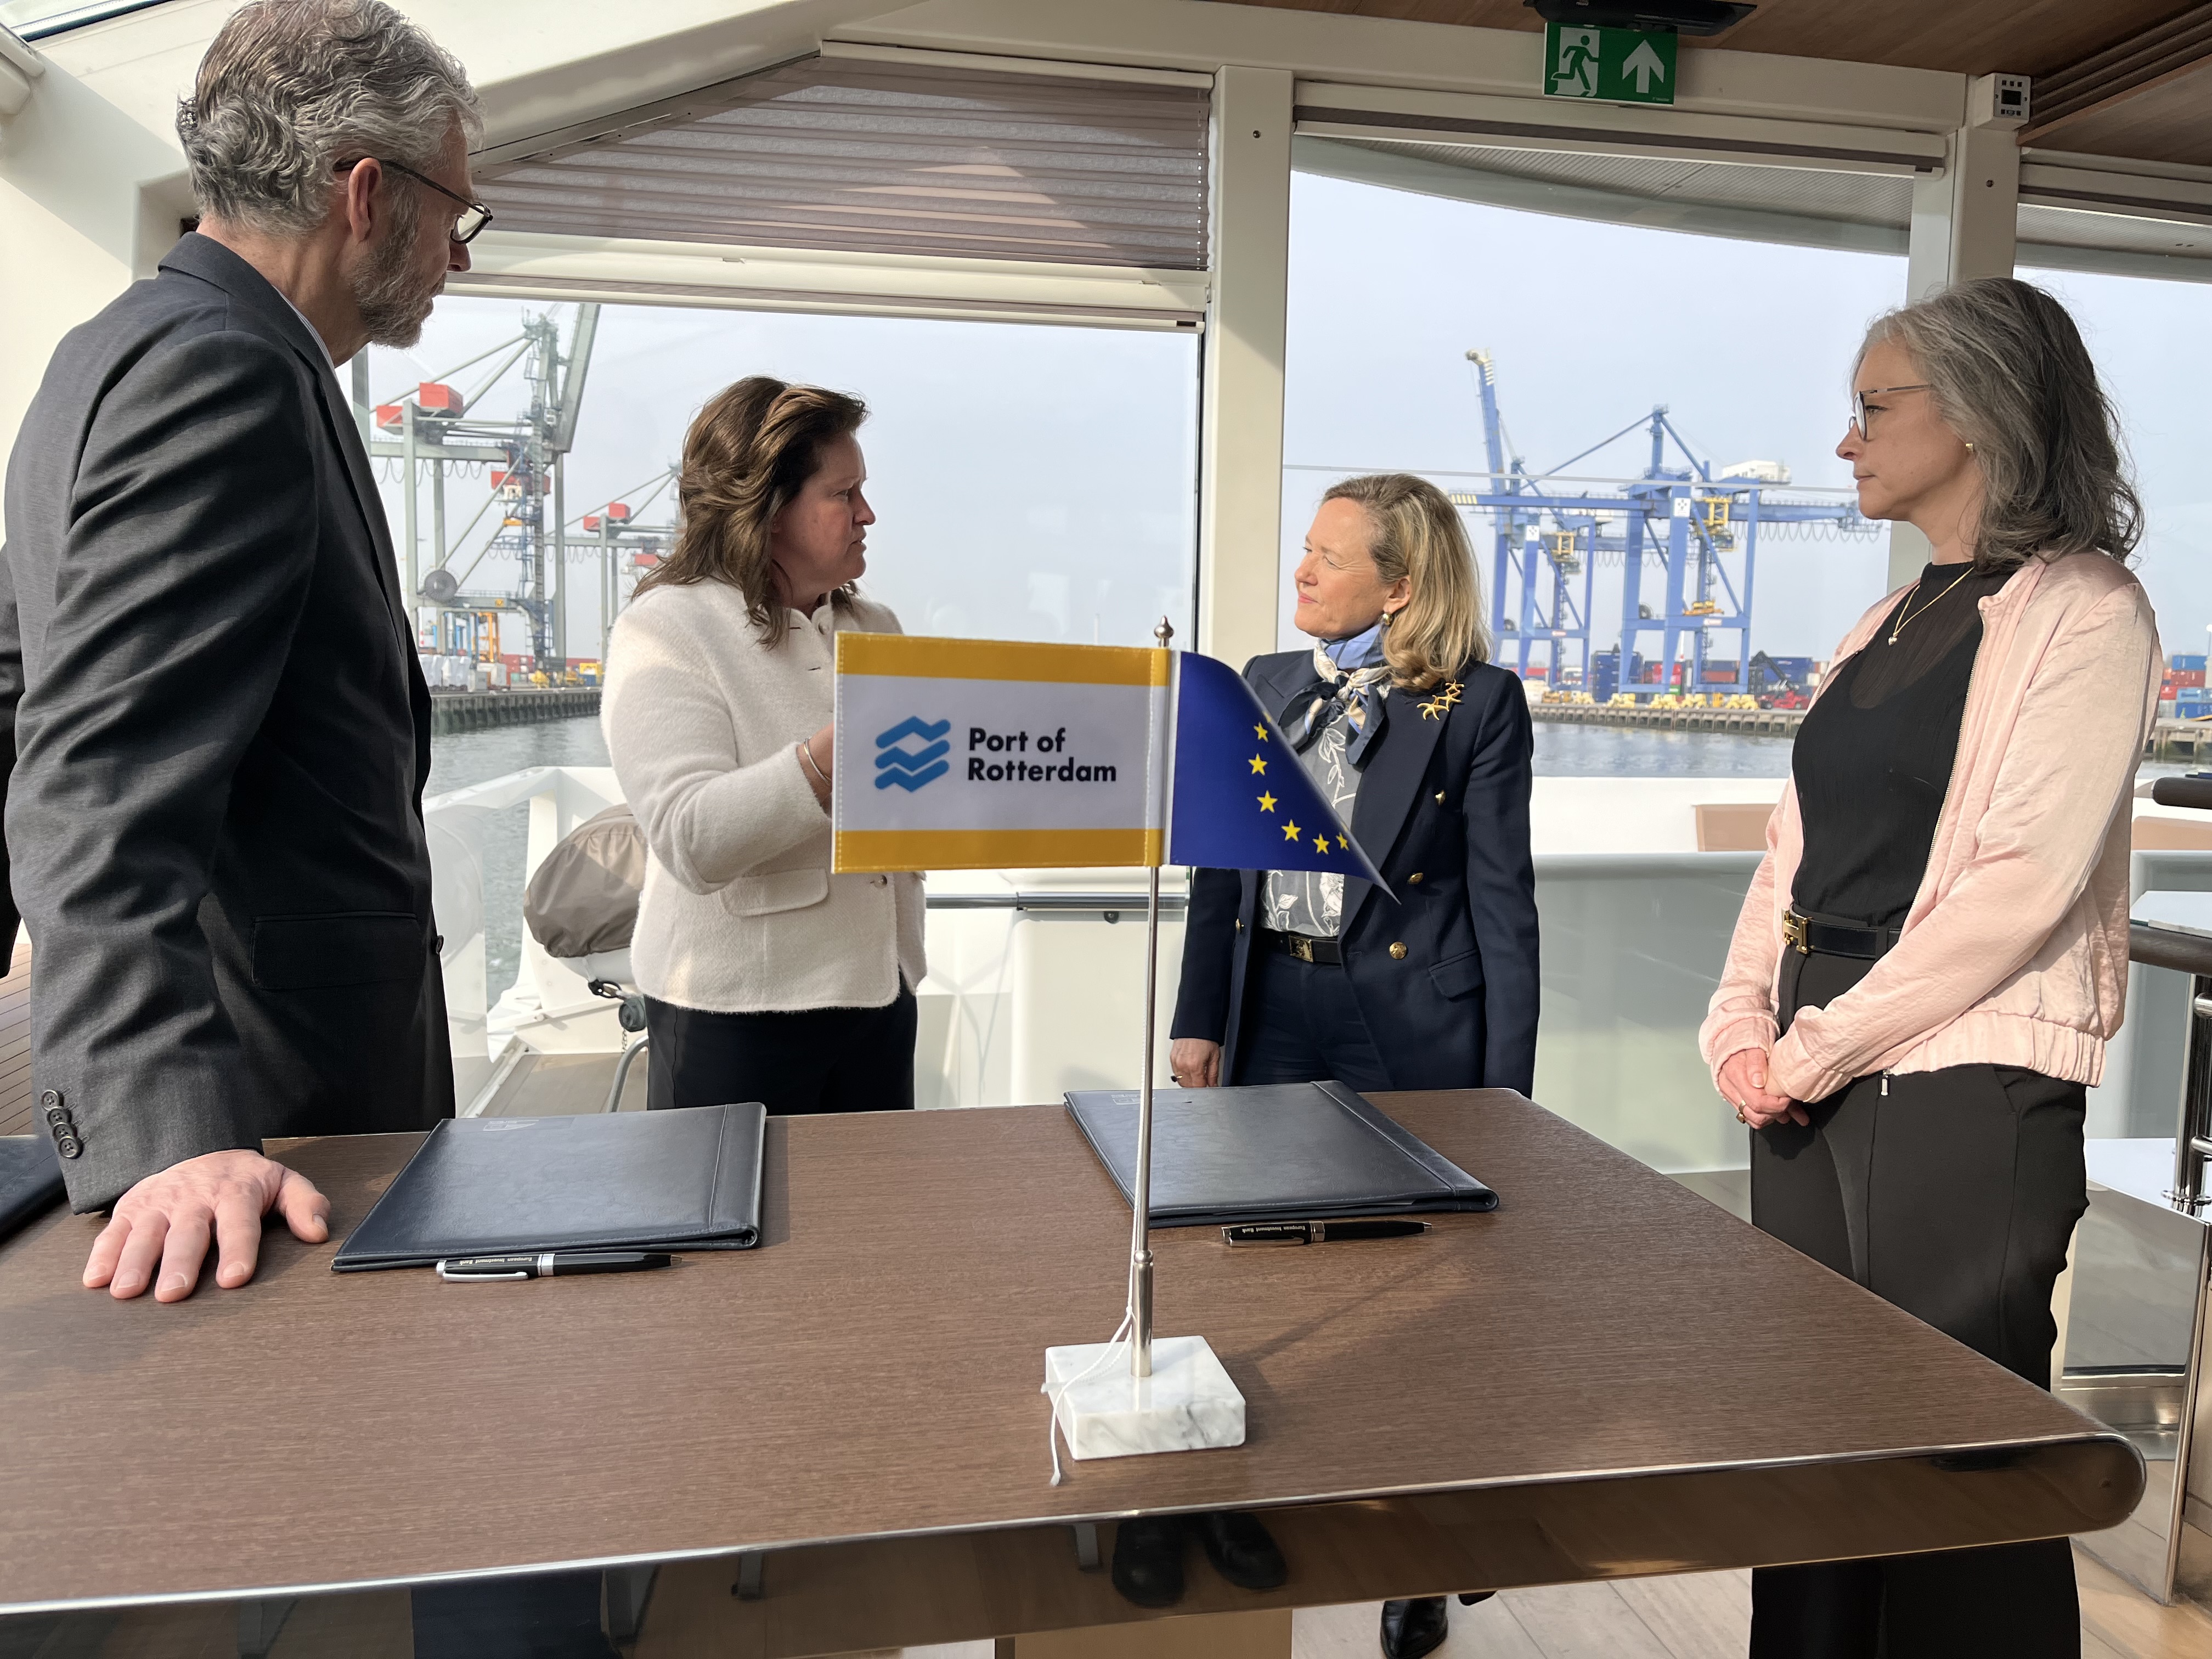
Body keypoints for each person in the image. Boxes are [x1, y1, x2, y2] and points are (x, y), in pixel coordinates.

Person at [1700, 276, 2161, 1658]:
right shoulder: (1883, 622)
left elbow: (2019, 888)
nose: (1846, 442)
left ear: (1973, 413)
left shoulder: (2088, 612)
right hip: (1811, 1068)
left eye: (1871, 409)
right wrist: (1739, 1018)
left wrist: (1814, 1045)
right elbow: (1792, 851)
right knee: (1812, 1454)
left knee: (1959, 1473)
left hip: (1963, 1086)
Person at [0, 0, 480, 1303]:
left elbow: (18, 685)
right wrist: (172, 1137)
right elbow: (93, 781)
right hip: (262, 1145)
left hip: (269, 1108)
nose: (459, 253)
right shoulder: (227, 374)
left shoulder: (106, 351)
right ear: (366, 194)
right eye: (457, 212)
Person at [1164, 472, 1539, 1659]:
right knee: (1255, 1266)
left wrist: (1509, 1098)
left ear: (1402, 586)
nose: (1303, 571)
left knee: (1423, 1288)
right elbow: (1219, 871)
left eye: (1328, 557)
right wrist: (1197, 1019)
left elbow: (1503, 904)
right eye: (1305, 550)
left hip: (1410, 1025)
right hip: (1269, 1005)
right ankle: (1241, 1501)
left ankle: (1418, 1549)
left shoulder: (1482, 704)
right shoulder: (1264, 683)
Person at [602, 377, 925, 1116]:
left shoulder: (878, 627)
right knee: (724, 1201)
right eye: (844, 494)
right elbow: (689, 838)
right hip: (733, 1016)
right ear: (768, 509)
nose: (867, 513)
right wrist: (827, 761)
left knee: (876, 1198)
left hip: (881, 998)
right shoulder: (667, 628)